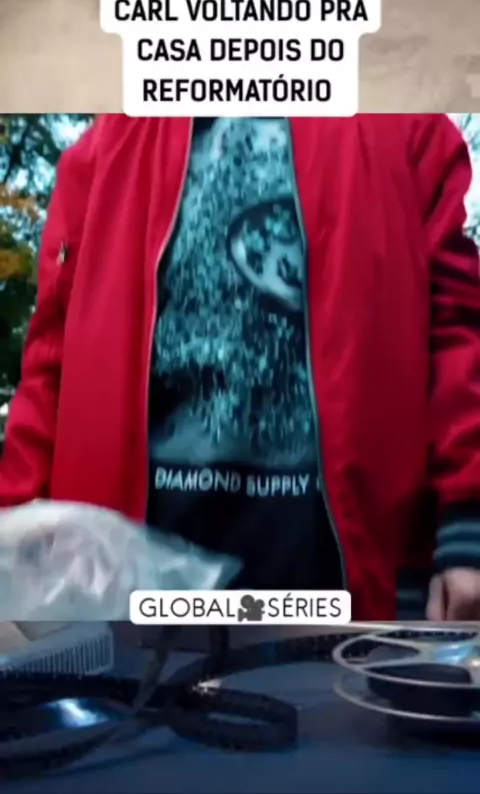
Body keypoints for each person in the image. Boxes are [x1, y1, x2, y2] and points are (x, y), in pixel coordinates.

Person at [0, 114, 479, 621]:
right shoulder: (105, 149)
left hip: (347, 590)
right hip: (126, 593)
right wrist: (14, 520)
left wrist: (468, 530)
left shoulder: (404, 125)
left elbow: (457, 329)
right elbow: (50, 361)